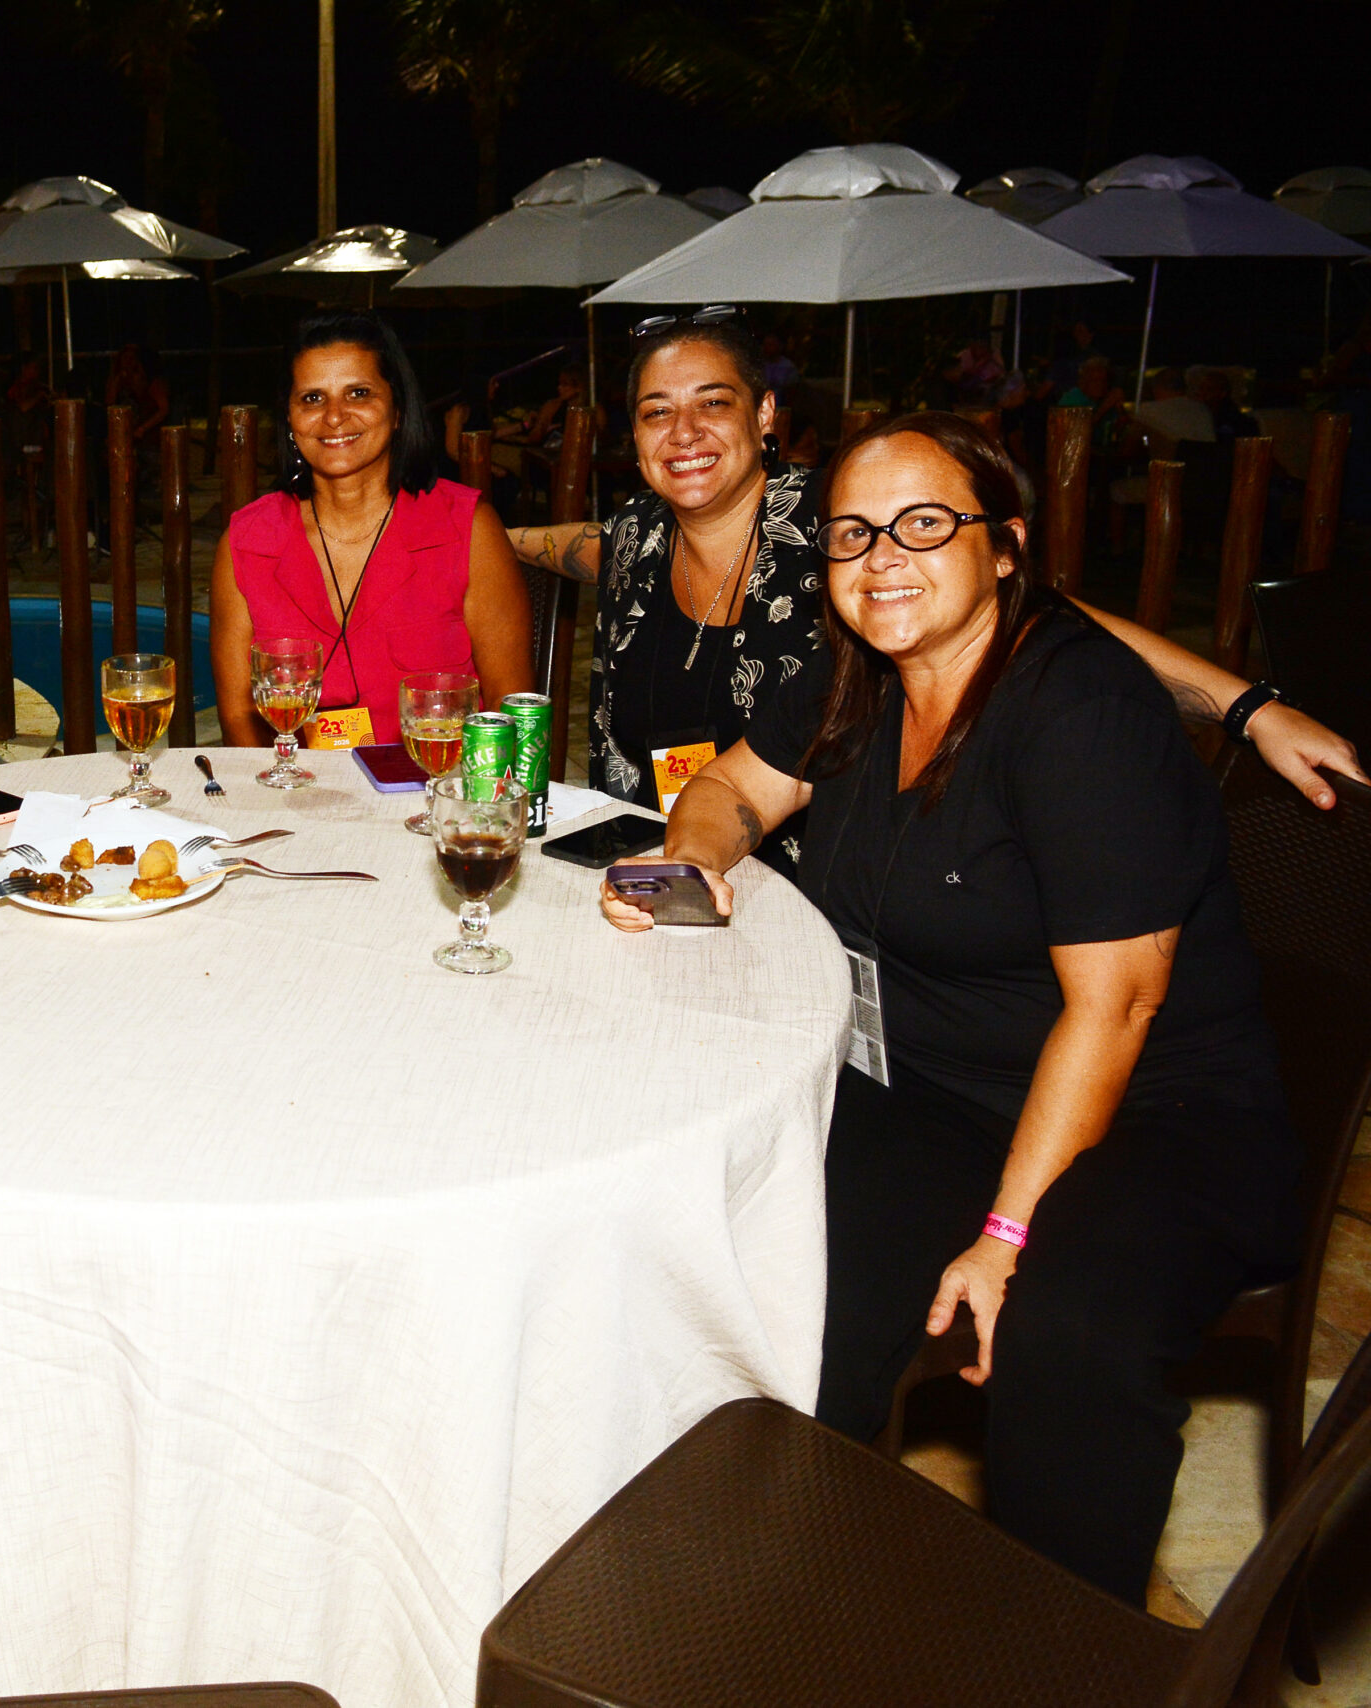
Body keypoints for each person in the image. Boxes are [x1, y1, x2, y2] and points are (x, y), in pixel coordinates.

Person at [596, 412, 1301, 1604]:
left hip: (1157, 1111)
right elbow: (728, 787)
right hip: (942, 1088)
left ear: (1005, 546)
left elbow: (1118, 1006)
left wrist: (1005, 1234)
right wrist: (696, 856)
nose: (882, 557)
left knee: (1060, 1336)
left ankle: (1070, 1655)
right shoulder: (855, 676)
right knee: (764, 1249)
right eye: (853, 533)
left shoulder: (1077, 710)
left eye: (924, 524)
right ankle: (762, 1590)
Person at [506, 313, 1366, 866]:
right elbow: (568, 547)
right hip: (658, 863)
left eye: (713, 403)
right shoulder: (636, 535)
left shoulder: (846, 525)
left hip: (826, 890)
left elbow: (1044, 615)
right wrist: (476, 539)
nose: (684, 432)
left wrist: (1250, 708)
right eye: (657, 411)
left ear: (764, 415)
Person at [212, 312, 533, 748]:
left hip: (437, 784)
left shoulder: (467, 529)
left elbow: (510, 710)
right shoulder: (248, 542)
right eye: (312, 398)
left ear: (398, 410)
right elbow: (238, 718)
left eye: (358, 393)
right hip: (297, 785)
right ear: (289, 418)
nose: (334, 416)